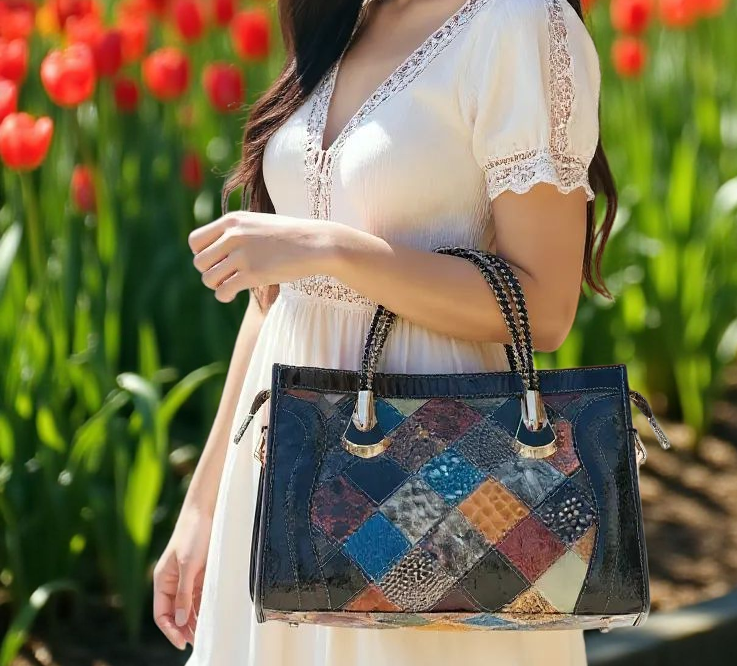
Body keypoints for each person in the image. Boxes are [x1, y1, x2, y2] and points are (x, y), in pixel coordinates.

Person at [154, 0, 616, 663]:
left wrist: (332, 250)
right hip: (282, 467)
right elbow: (275, 301)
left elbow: (545, 307)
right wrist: (203, 504)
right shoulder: (346, 15)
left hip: (440, 476)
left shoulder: (517, 23)